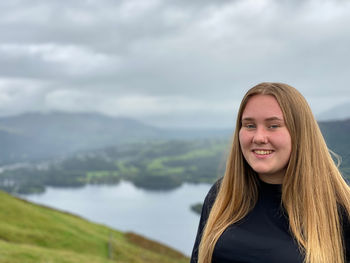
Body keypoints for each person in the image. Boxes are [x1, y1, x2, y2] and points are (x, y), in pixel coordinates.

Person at [190, 82, 350, 263]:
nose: (258, 137)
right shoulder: (222, 195)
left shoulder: (339, 206)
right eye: (249, 125)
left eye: (273, 126)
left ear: (300, 133)